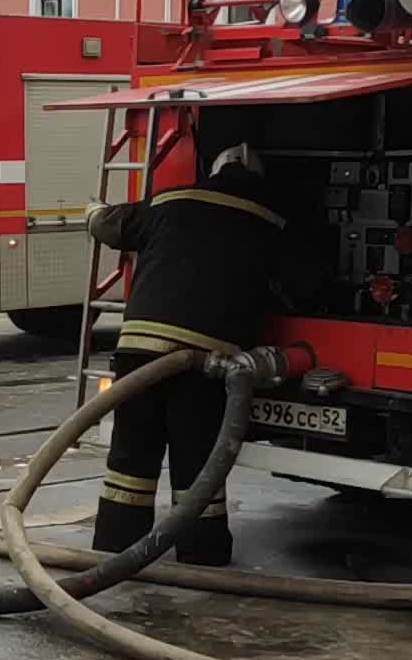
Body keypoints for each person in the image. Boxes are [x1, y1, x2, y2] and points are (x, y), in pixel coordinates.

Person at [83, 142, 290, 567]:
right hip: (206, 364)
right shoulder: (269, 224)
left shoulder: (171, 201)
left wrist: (91, 210)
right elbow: (301, 285)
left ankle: (115, 548)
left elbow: (109, 226)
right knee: (198, 463)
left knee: (130, 458)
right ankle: (202, 553)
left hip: (139, 353)